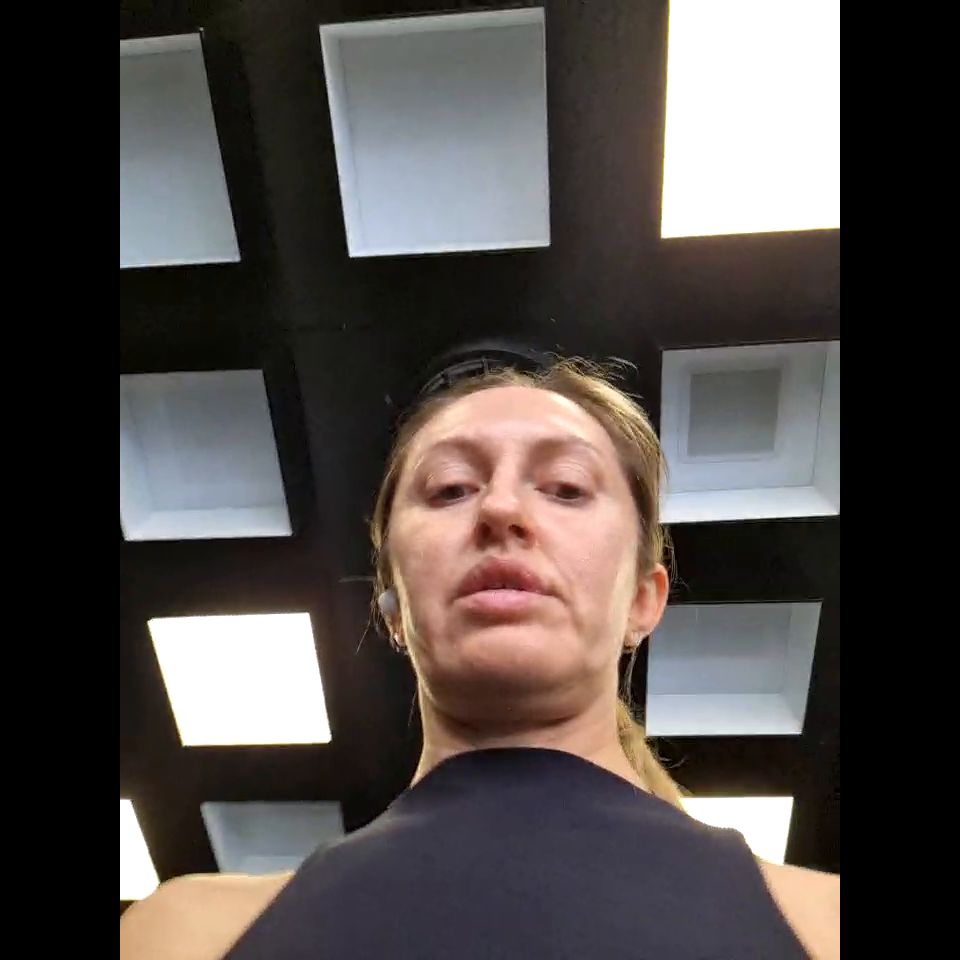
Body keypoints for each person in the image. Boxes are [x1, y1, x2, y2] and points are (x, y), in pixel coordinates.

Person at [120, 357, 840, 959]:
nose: (500, 510)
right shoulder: (183, 935)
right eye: (451, 489)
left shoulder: (827, 923)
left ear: (642, 601)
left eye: (566, 487)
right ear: (392, 606)